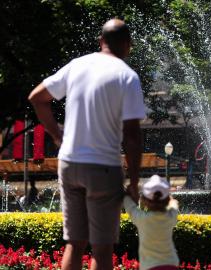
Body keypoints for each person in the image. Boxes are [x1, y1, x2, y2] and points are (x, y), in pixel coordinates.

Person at [28, 19, 145, 270]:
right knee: (102, 249)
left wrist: (56, 134)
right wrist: (134, 182)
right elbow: (132, 136)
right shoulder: (127, 76)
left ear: (101, 41)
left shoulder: (77, 66)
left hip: (70, 164)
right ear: (127, 46)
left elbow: (37, 98)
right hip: (103, 167)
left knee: (75, 243)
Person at [123, 175, 179, 270]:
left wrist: (128, 192)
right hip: (171, 264)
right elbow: (174, 203)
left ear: (144, 200)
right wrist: (168, 197)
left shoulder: (141, 218)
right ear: (167, 199)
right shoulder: (171, 216)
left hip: (150, 266)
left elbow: (128, 204)